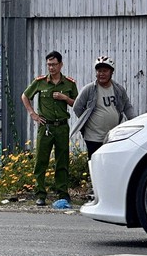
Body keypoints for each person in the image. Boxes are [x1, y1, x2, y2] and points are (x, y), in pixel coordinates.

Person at [21, 50, 78, 208]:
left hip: (61, 127)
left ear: (61, 65)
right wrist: (32, 113)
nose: (51, 68)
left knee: (62, 161)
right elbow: (25, 96)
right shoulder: (40, 82)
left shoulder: (69, 83)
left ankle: (62, 193)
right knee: (41, 160)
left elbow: (77, 103)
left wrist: (65, 98)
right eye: (49, 65)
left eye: (54, 65)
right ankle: (40, 194)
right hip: (45, 126)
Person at [72, 55, 137, 158]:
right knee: (95, 163)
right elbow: (77, 107)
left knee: (111, 162)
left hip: (113, 136)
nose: (101, 74)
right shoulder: (89, 89)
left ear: (111, 72)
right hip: (93, 137)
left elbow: (127, 106)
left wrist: (134, 121)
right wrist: (88, 122)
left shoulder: (119, 89)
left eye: (105, 71)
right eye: (99, 71)